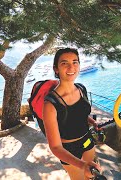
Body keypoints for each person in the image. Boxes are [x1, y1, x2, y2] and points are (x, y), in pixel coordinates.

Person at [43, 48, 101, 179]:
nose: (71, 67)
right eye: (64, 63)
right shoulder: (50, 104)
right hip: (68, 149)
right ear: (56, 69)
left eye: (75, 62)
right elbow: (56, 147)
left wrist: (92, 122)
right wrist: (82, 165)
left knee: (90, 177)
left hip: (87, 140)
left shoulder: (81, 89)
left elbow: (78, 114)